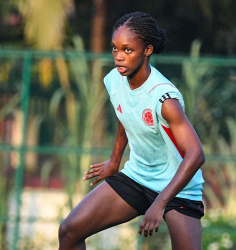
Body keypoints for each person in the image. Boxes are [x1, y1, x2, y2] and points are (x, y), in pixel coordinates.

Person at [58, 12, 205, 250]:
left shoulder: (164, 99)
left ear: (147, 50)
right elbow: (124, 116)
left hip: (177, 188)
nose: (119, 57)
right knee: (69, 231)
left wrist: (159, 203)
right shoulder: (114, 80)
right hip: (138, 177)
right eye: (115, 49)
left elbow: (196, 154)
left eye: (128, 50)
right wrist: (114, 161)